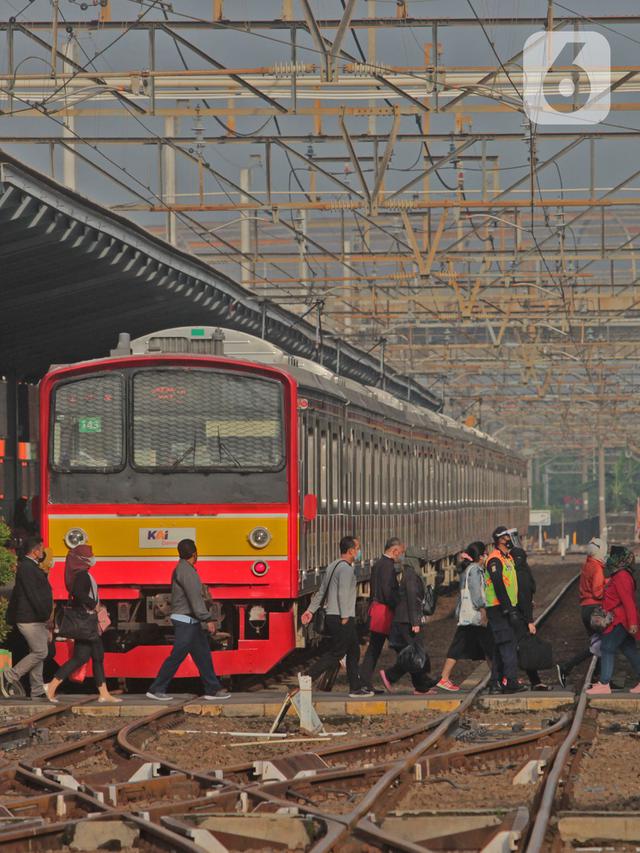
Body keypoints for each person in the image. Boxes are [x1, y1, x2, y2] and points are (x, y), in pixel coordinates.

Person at [146, 539, 229, 701]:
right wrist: (208, 618)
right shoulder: (187, 571)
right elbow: (195, 598)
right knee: (177, 655)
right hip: (186, 620)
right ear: (195, 554)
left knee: (203, 655)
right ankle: (156, 689)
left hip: (191, 621)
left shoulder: (183, 569)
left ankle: (213, 689)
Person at [46, 544, 120, 704]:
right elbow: (78, 593)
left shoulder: (79, 574)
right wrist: (94, 605)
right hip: (87, 622)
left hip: (87, 622)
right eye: (90, 555)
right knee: (88, 657)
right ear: (82, 559)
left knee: (90, 656)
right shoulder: (82, 576)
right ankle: (51, 686)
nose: (93, 557)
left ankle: (103, 693)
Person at [301, 536, 372, 698]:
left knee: (353, 651)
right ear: (351, 550)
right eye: (358, 548)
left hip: (334, 615)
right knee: (337, 652)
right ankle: (307, 676)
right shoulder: (346, 569)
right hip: (342, 616)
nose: (359, 551)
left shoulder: (333, 565)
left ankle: (356, 687)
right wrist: (345, 616)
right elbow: (342, 593)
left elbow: (321, 591)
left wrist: (310, 610)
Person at [437, 541, 493, 692]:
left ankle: (497, 677)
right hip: (474, 617)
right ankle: (444, 677)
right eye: (485, 554)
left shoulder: (469, 569)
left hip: (469, 617)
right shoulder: (474, 570)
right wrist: (483, 610)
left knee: (487, 646)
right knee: (481, 646)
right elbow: (475, 593)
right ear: (480, 556)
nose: (487, 556)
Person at [2, 536, 52, 700]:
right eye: (41, 548)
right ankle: (10, 676)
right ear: (35, 551)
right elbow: (33, 594)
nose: (43, 552)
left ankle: (37, 689)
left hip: (34, 617)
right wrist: (45, 614)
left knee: (36, 652)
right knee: (40, 651)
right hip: (29, 617)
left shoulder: (31, 567)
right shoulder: (28, 568)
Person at [379, 553, 436, 695]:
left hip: (405, 620)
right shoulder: (411, 576)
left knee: (414, 653)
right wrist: (415, 622)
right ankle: (390, 675)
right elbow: (412, 599)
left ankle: (422, 686)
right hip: (406, 621)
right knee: (413, 654)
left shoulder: (409, 574)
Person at [587, 547, 640, 695]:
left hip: (620, 621)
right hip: (619, 619)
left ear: (619, 559)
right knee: (630, 651)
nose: (609, 559)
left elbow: (628, 601)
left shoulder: (622, 576)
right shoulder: (619, 575)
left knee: (607, 648)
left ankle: (604, 683)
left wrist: (633, 623)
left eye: (612, 556)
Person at [557, 537, 606, 687]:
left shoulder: (586, 565)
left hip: (585, 609)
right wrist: (608, 586)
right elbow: (598, 593)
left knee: (599, 644)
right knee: (601, 645)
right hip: (595, 610)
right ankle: (567, 666)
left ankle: (601, 677)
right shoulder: (597, 568)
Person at [484, 526, 526, 694]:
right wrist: (509, 609)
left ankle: (495, 682)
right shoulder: (495, 560)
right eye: (508, 536)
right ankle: (510, 681)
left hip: (506, 607)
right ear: (501, 539)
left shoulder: (507, 558)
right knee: (508, 645)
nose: (510, 539)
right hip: (499, 608)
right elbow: (499, 585)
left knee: (500, 646)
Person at [359, 537, 403, 692]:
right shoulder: (387, 566)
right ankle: (415, 678)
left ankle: (364, 681)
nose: (400, 556)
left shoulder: (378, 564)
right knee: (401, 645)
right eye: (400, 552)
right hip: (384, 612)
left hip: (377, 609)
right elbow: (387, 590)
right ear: (394, 550)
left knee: (375, 647)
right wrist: (397, 604)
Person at [511, 547, 549, 691]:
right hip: (520, 618)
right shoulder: (524, 575)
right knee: (526, 648)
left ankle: (507, 678)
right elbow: (524, 600)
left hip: (510, 615)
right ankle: (534, 681)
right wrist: (530, 622)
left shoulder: (511, 573)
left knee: (511, 648)